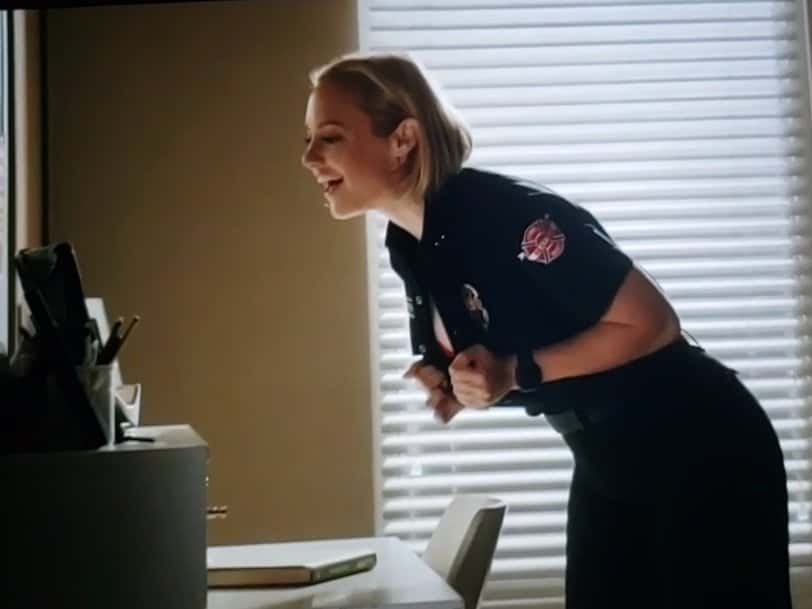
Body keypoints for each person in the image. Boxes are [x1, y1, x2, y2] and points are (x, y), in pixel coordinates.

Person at [301, 50, 793, 609]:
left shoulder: (506, 214)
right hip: (606, 460)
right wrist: (457, 381)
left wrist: (514, 372)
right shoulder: (408, 244)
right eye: (309, 139)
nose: (309, 157)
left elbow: (652, 323)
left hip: (700, 445)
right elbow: (503, 350)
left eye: (330, 137)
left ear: (403, 140)